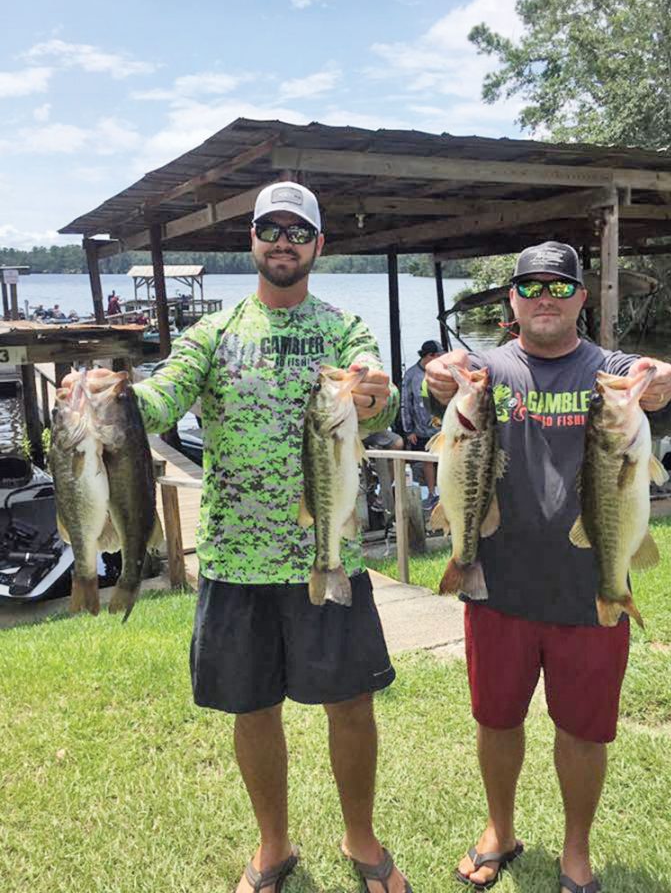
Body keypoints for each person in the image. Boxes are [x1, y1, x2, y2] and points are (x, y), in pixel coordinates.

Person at [65, 181, 411, 893]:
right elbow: (162, 398)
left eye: (297, 230)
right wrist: (117, 396)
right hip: (234, 560)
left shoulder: (343, 330)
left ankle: (361, 837)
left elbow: (377, 392)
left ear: (319, 245)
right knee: (252, 709)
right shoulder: (212, 333)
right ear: (251, 241)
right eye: (269, 229)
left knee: (350, 704)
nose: (282, 241)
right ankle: (274, 846)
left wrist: (377, 393)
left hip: (329, 554)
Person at [425, 241, 671, 893]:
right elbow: (429, 399)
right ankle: (500, 829)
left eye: (559, 287)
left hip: (589, 589)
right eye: (531, 287)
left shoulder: (611, 370)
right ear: (512, 301)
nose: (545, 298)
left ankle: (577, 849)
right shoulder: (484, 372)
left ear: (580, 297)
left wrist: (663, 386)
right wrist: (433, 379)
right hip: (497, 586)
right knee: (496, 721)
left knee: (582, 730)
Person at [402, 339, 445, 506]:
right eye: (438, 357)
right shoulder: (412, 375)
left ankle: (445, 494)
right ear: (429, 356)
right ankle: (432, 494)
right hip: (421, 429)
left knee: (445, 460)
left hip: (442, 429)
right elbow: (405, 403)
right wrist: (408, 430)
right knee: (427, 460)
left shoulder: (442, 371)